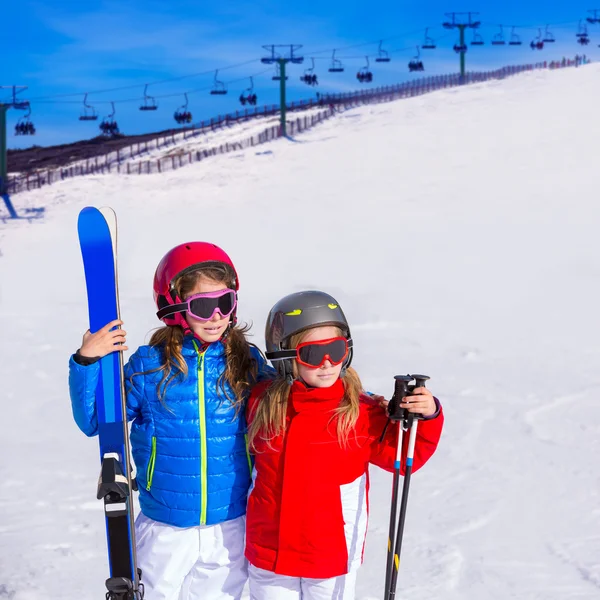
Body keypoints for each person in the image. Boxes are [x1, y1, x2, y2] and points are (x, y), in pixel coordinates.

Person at [69, 242, 274, 600]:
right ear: (174, 307)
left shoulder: (247, 362)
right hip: (164, 526)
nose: (216, 317)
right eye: (203, 306)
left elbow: (288, 406)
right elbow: (96, 422)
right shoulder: (150, 366)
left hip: (230, 525)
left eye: (224, 303)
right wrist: (88, 362)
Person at [244, 290, 444, 600]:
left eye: (335, 351)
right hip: (270, 552)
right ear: (284, 357)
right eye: (311, 354)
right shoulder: (262, 403)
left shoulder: (359, 411)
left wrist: (425, 416)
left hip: (330, 556)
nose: (326, 363)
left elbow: (405, 457)